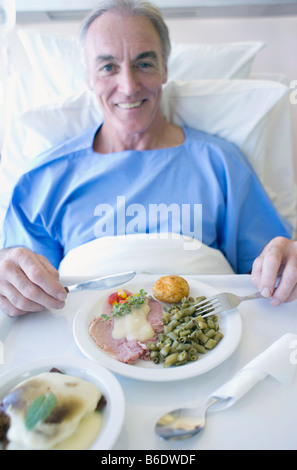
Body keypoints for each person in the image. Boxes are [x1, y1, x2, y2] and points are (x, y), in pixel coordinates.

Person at [0, 0, 296, 317]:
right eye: (107, 67)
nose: (128, 87)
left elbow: (271, 274)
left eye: (144, 64)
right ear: (87, 76)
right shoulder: (44, 179)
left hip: (206, 345)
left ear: (165, 69)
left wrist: (288, 260)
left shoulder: (221, 165)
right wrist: (9, 279)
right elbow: (26, 291)